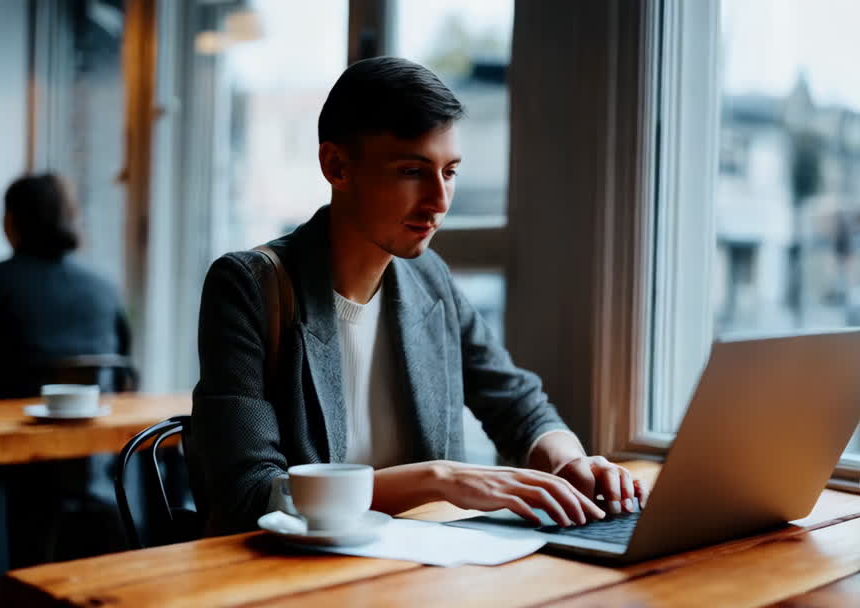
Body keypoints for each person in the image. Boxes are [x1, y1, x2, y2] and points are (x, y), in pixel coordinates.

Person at [191, 57, 644, 536]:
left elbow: (516, 404)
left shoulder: (429, 279)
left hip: (425, 569)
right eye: (412, 171)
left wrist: (570, 462)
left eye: (449, 172)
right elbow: (248, 493)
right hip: (297, 580)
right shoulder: (248, 286)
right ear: (337, 166)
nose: (439, 200)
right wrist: (437, 479)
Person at [0, 173, 131, 400]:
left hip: (5, 426)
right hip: (96, 427)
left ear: (11, 221)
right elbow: (121, 371)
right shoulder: (105, 286)